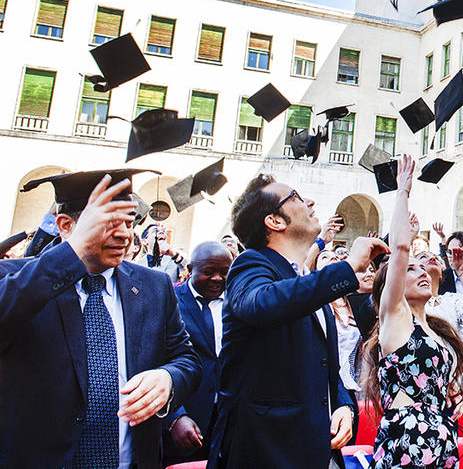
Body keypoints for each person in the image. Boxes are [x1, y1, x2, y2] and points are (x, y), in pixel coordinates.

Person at [0, 171, 200, 468]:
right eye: (108, 223)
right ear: (66, 226)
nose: (124, 235)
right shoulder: (16, 279)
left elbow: (186, 359)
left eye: (130, 223)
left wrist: (167, 379)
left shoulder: (154, 287)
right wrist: (74, 251)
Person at [206, 174, 389, 468]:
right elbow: (262, 304)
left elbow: (321, 361)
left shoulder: (303, 278)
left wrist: (342, 402)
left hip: (311, 448)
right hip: (265, 450)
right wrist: (348, 266)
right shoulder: (250, 264)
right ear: (275, 221)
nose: (310, 202)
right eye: (295, 197)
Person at [364, 155, 463, 469]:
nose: (422, 271)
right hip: (407, 439)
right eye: (410, 270)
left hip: (441, 437)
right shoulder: (395, 316)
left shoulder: (435, 328)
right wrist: (403, 192)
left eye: (423, 267)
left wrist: (450, 390)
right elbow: (398, 250)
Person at [165, 241, 233, 462]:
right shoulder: (170, 301)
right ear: (190, 269)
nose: (217, 279)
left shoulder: (236, 303)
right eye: (208, 272)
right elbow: (155, 360)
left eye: (224, 272)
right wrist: (175, 417)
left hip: (228, 424)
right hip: (184, 424)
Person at [316, 247, 365, 441]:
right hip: (324, 386)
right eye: (325, 257)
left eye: (336, 257)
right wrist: (320, 243)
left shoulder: (356, 303)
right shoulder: (315, 304)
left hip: (350, 389)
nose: (332, 259)